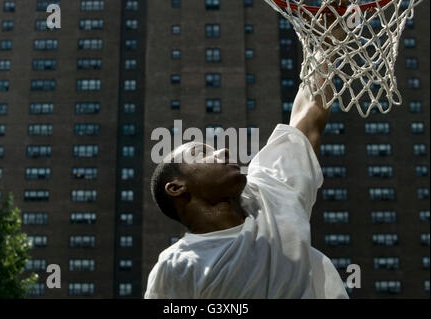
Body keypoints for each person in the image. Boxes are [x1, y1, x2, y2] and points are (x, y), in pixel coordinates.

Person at [145, 0, 349, 299]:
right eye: (202, 153)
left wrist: (329, 41)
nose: (223, 152)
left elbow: (307, 122)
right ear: (176, 187)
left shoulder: (269, 192)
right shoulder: (176, 267)